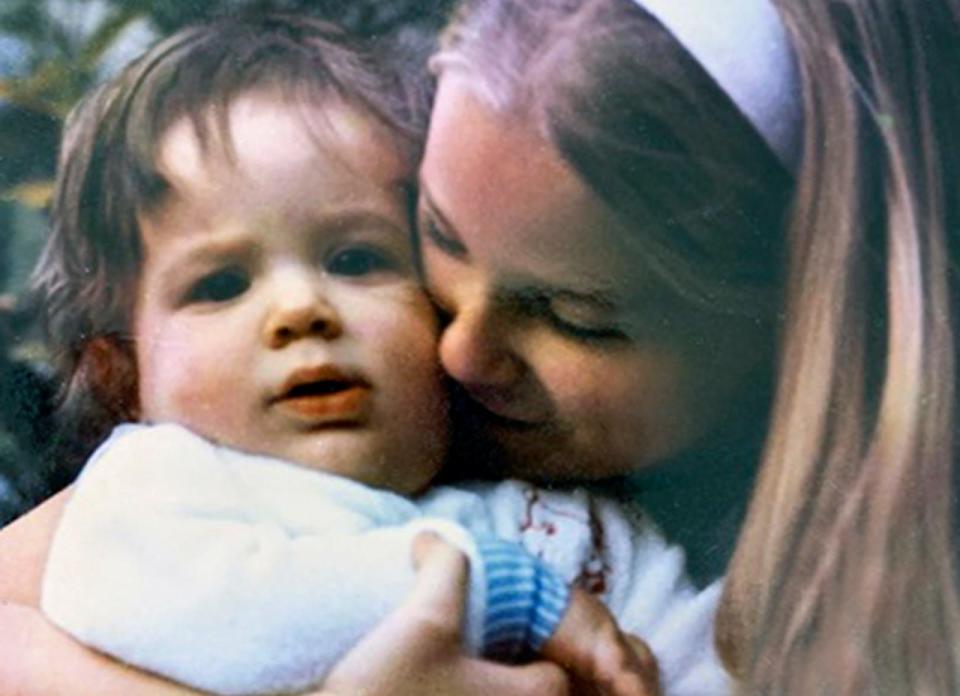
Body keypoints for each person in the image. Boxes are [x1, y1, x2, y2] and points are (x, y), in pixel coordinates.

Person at [2, 0, 958, 694]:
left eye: (578, 317)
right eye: (440, 240)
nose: (462, 353)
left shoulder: (799, 582)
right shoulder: (213, 467)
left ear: (791, 335)